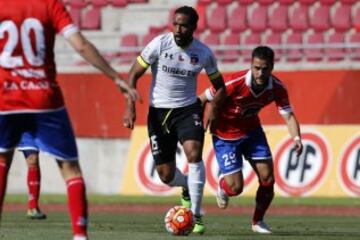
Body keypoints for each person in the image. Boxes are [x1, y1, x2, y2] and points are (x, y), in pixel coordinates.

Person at [0, 0, 139, 240]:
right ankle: (79, 235)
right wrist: (115, 78)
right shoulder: (49, 4)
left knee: (2, 161)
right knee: (70, 169)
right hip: (44, 99)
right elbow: (81, 45)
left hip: (5, 98)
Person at [123, 6, 226, 235]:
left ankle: (196, 216)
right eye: (176, 24)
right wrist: (130, 106)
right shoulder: (159, 44)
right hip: (158, 114)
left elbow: (220, 87)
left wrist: (212, 109)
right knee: (166, 175)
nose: (178, 29)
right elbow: (133, 74)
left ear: (193, 28)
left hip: (187, 110)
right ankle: (187, 187)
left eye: (184, 25)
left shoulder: (204, 53)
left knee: (194, 154)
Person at [198, 46, 303, 234]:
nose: (260, 73)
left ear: (272, 67)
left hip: (253, 133)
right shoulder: (235, 81)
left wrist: (296, 138)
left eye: (264, 68)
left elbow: (288, 116)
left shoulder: (277, 88)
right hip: (225, 136)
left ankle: (258, 221)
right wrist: (201, 117)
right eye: (256, 68)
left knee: (268, 178)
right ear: (251, 65)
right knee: (236, 188)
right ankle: (224, 185)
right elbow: (203, 98)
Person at [17, 133, 46, 220]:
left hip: (28, 126)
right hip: (7, 121)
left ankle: (33, 208)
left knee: (33, 159)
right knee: (4, 159)